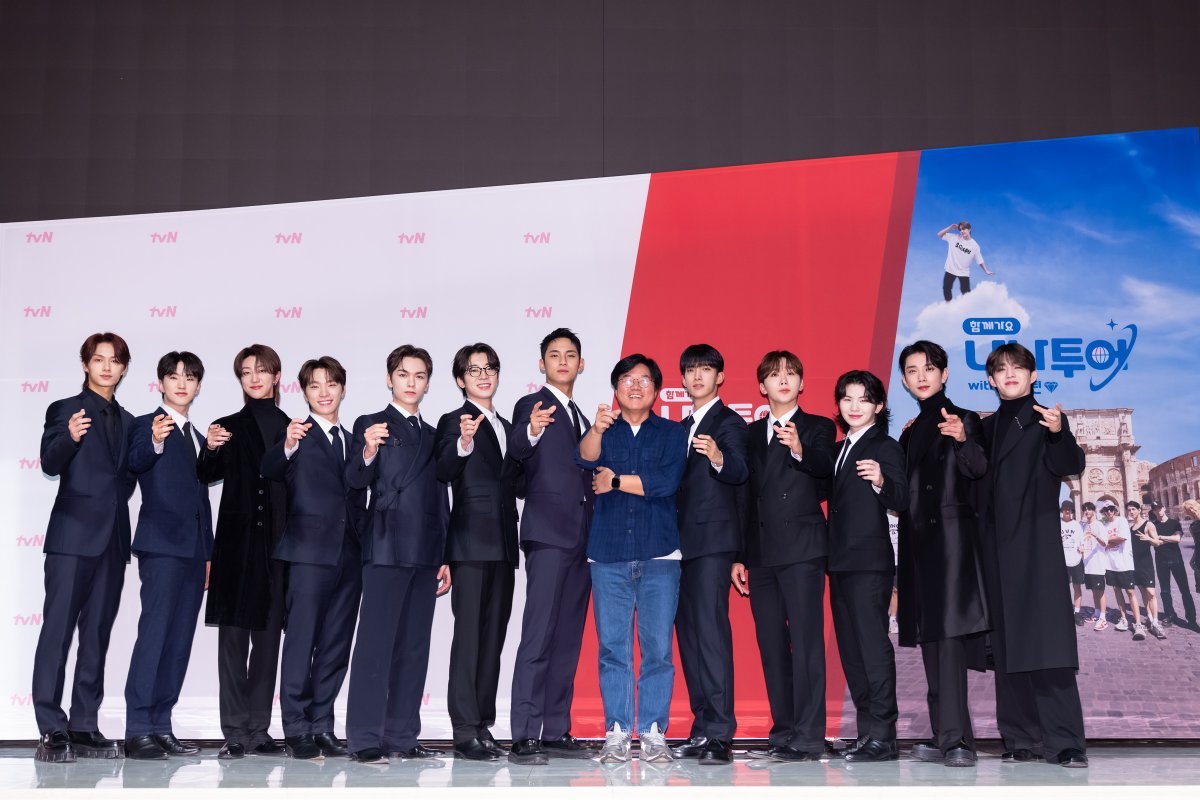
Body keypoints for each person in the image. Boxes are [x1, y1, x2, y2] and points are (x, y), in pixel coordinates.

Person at [977, 343, 1087, 768]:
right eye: (1001, 369)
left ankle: (1065, 742)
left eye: (1018, 367)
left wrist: (1058, 432)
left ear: (1033, 375)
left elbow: (1070, 462)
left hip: (1036, 548)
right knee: (1007, 648)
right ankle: (1020, 738)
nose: (1010, 374)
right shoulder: (985, 429)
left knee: (1047, 645)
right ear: (991, 379)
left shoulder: (1046, 419)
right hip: (994, 550)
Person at [344, 345, 451, 764]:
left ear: (428, 383)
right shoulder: (371, 423)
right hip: (386, 544)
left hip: (425, 550)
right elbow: (355, 479)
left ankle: (403, 736)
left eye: (419, 376)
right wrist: (368, 451)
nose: (411, 382)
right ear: (389, 379)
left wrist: (445, 554)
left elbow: (440, 498)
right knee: (374, 645)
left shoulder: (434, 434)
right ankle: (364, 738)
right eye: (403, 374)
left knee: (413, 647)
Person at [579, 354, 688, 764]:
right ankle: (618, 731)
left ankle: (654, 731)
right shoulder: (604, 429)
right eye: (627, 379)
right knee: (613, 648)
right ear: (616, 387)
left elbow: (665, 483)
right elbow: (585, 458)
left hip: (660, 554)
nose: (636, 386)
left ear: (656, 389)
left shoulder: (673, 433)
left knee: (658, 649)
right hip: (608, 554)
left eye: (644, 379)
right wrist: (595, 429)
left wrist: (615, 480)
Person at [33, 333, 135, 763]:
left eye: (115, 360)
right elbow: (49, 462)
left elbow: (126, 478)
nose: (107, 367)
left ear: (124, 368)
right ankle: (50, 728)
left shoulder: (130, 421)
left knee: (96, 636)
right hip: (72, 539)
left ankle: (83, 724)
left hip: (113, 541)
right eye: (99, 359)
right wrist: (70, 438)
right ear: (85, 365)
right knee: (57, 633)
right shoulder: (65, 409)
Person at [260, 356, 365, 760]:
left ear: (343, 389)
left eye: (331, 384)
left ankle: (322, 724)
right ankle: (296, 728)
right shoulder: (297, 435)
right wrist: (287, 444)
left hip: (349, 557)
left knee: (336, 646)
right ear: (303, 392)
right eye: (315, 385)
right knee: (301, 643)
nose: (324, 392)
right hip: (307, 554)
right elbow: (269, 467)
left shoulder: (355, 441)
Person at [735, 351, 836, 762]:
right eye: (774, 375)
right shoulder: (748, 433)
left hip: (803, 550)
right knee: (772, 644)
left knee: (807, 643)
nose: (783, 380)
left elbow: (826, 470)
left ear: (802, 384)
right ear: (762, 386)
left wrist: (798, 449)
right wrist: (739, 555)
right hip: (761, 553)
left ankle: (809, 736)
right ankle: (783, 732)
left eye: (791, 374)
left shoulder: (818, 427)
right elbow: (743, 497)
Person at [895, 341, 989, 768]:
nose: (921, 376)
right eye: (912, 370)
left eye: (929, 368)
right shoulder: (910, 430)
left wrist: (964, 439)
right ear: (904, 380)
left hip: (951, 546)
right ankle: (944, 734)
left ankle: (958, 742)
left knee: (949, 642)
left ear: (945, 374)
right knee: (931, 642)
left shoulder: (963, 418)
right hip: (918, 548)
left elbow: (979, 470)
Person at [505, 328, 597, 765]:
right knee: (538, 636)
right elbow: (517, 447)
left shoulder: (582, 415)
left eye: (570, 355)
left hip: (582, 538)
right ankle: (524, 734)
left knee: (566, 640)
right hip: (548, 534)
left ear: (582, 364)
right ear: (541, 364)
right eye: (554, 355)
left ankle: (556, 729)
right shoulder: (533, 405)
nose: (563, 361)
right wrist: (532, 429)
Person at [198, 344, 290, 759]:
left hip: (278, 549)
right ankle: (235, 731)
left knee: (268, 644)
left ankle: (259, 729)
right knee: (233, 644)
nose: (254, 377)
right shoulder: (227, 426)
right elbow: (206, 473)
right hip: (237, 548)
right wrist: (210, 447)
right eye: (246, 371)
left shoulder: (293, 427)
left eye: (262, 370)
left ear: (276, 377)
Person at [123, 352, 213, 760]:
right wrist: (156, 440)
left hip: (194, 552)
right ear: (160, 383)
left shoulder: (198, 436)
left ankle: (161, 725)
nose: (181, 383)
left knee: (178, 642)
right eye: (173, 377)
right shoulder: (146, 425)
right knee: (155, 635)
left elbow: (202, 500)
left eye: (189, 377)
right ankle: (138, 728)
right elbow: (135, 461)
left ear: (198, 386)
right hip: (161, 547)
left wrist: (209, 553)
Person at [435, 344, 521, 761]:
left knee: (493, 640)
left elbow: (518, 484)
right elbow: (443, 470)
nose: (484, 376)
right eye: (474, 370)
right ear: (460, 379)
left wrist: (532, 439)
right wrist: (464, 442)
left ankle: (483, 723)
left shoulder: (508, 425)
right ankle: (463, 729)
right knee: (468, 638)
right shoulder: (453, 421)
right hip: (469, 543)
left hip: (504, 544)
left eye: (490, 368)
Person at [671, 344, 748, 766]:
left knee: (710, 635)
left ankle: (720, 732)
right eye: (691, 370)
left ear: (720, 377)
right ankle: (702, 727)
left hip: (713, 544)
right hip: (678, 547)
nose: (697, 376)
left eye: (706, 369)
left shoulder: (729, 422)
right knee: (690, 638)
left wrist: (718, 456)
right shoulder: (681, 427)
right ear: (682, 379)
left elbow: (739, 470)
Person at [827, 370, 908, 764]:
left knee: (873, 649)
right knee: (852, 652)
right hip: (840, 563)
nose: (854, 406)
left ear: (878, 405)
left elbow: (902, 497)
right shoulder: (840, 448)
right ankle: (866, 733)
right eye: (847, 399)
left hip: (869, 564)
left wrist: (881, 481)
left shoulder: (885, 446)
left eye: (863, 399)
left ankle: (884, 736)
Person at [1097, 503, 1143, 640]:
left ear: (1115, 510)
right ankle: (1123, 618)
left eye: (1111, 509)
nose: (1109, 511)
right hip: (1110, 564)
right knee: (1116, 590)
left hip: (1124, 563)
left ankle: (1138, 623)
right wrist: (1107, 541)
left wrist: (1106, 540)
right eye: (1106, 510)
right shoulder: (1104, 525)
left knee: (1130, 592)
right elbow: (1103, 542)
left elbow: (1121, 539)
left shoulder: (1122, 521)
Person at [1148, 500, 1196, 629]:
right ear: (1153, 511)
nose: (1158, 511)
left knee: (1185, 590)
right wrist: (1167, 538)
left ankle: (1191, 619)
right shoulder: (1152, 525)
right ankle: (1170, 615)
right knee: (1165, 591)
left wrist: (1161, 537)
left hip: (1176, 560)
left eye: (1159, 508)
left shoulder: (1174, 523)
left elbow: (1177, 539)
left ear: (1164, 508)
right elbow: (1155, 542)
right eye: (1155, 509)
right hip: (1161, 561)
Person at [1126, 501, 1165, 640]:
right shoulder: (1130, 528)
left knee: (1151, 593)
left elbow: (1158, 542)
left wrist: (1148, 538)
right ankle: (1149, 618)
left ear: (1139, 510)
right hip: (1134, 564)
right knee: (1142, 591)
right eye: (1129, 510)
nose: (1131, 512)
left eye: (1133, 509)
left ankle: (1156, 622)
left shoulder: (1148, 524)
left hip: (1146, 563)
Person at [937, 222, 994, 301]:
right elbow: (939, 234)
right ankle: (949, 305)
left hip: (963, 272)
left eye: (964, 229)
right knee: (946, 288)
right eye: (960, 229)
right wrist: (950, 227)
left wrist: (986, 270)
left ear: (969, 229)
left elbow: (979, 260)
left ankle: (968, 307)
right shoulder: (954, 237)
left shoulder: (974, 246)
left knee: (966, 292)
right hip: (951, 269)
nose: (962, 231)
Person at [1079, 502, 1109, 629]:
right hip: (1088, 564)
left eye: (1089, 509)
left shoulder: (1099, 525)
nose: (1087, 512)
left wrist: (1096, 535)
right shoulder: (1084, 526)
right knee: (1094, 590)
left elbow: (1105, 543)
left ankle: (1103, 618)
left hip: (1098, 563)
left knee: (1100, 591)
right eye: (1085, 510)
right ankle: (1097, 613)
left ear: (1094, 511)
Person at [1059, 502, 1086, 626]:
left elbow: (1082, 542)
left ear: (1072, 511)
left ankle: (1077, 612)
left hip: (1076, 560)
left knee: (1077, 587)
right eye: (1065, 509)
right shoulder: (1057, 523)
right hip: (1062, 560)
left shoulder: (1077, 525)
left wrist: (1082, 548)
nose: (1067, 511)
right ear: (1062, 510)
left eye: (1069, 509)